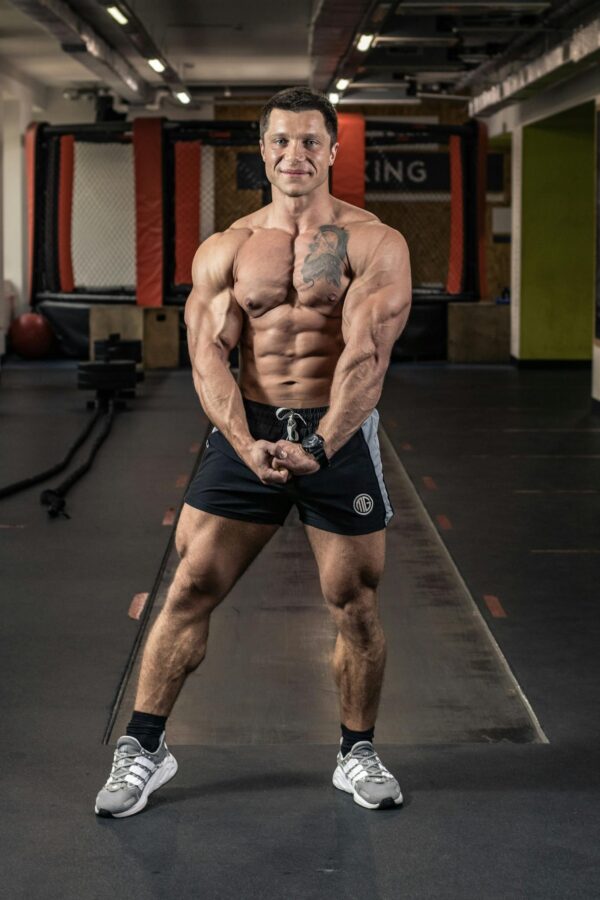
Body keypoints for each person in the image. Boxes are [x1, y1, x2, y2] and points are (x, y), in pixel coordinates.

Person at [95, 87, 412, 818]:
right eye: (280, 142)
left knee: (354, 601)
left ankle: (356, 751)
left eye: (309, 141)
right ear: (261, 151)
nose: (294, 155)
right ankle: (144, 749)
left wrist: (323, 447)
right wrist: (243, 443)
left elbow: (365, 357)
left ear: (333, 150)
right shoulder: (230, 248)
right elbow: (207, 354)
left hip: (336, 429)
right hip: (250, 425)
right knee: (190, 584)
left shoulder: (372, 242)